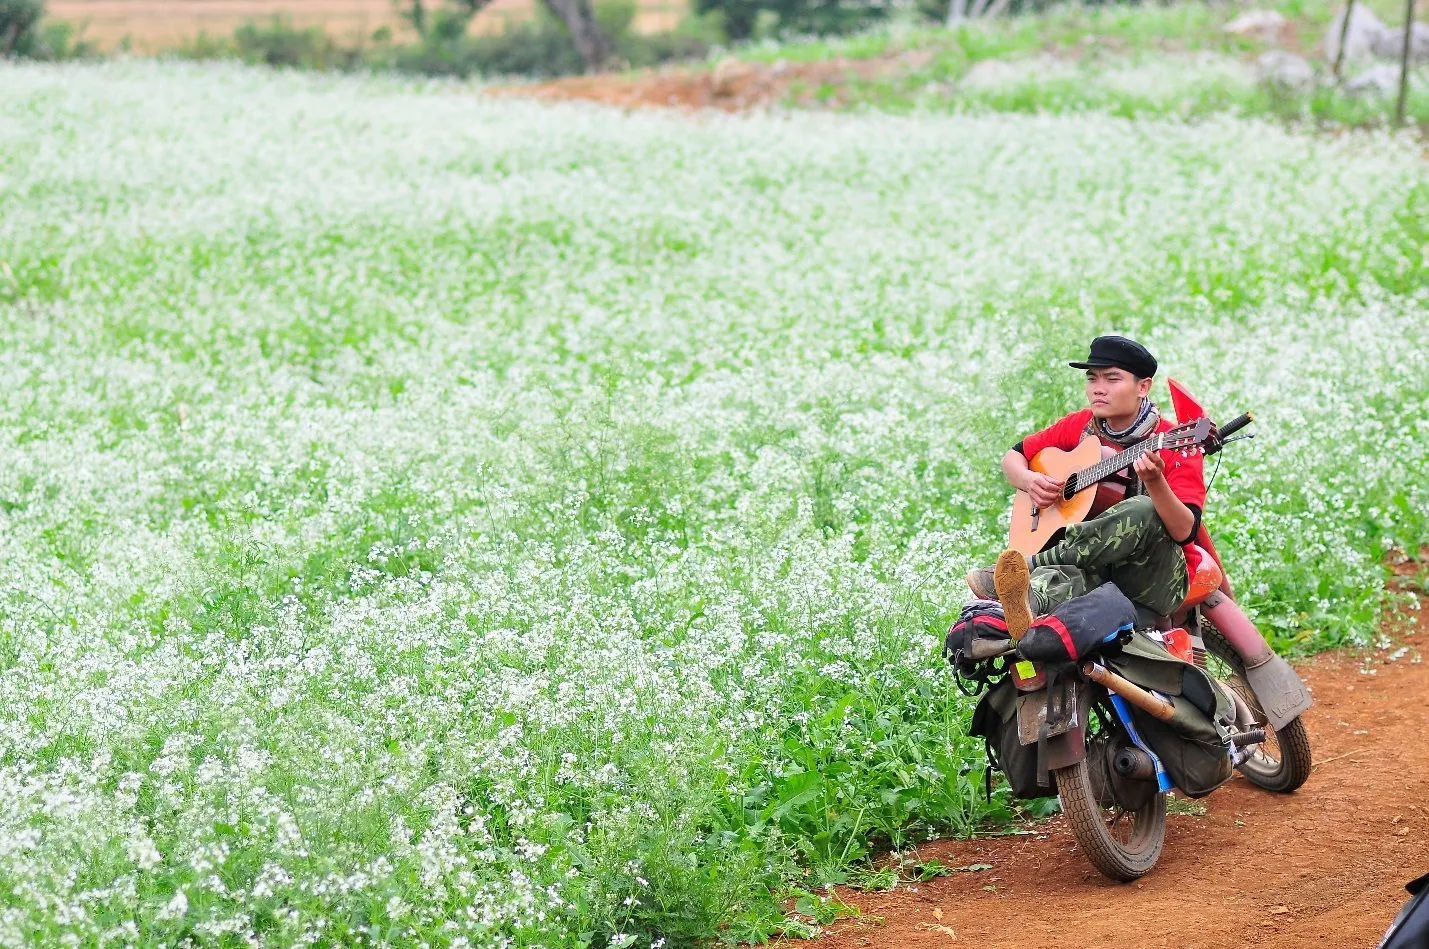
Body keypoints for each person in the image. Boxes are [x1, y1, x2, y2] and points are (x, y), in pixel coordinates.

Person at [967, 335, 1208, 639]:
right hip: (1090, 565)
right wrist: (1031, 481)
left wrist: (1155, 482)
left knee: (1142, 508)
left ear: (1143, 386)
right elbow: (1014, 456)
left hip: (1154, 576)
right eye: (1092, 378)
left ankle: (1026, 566)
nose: (1098, 388)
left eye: (1112, 378)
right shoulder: (1082, 425)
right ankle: (1026, 602)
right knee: (1054, 589)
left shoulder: (1174, 441)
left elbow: (1185, 530)